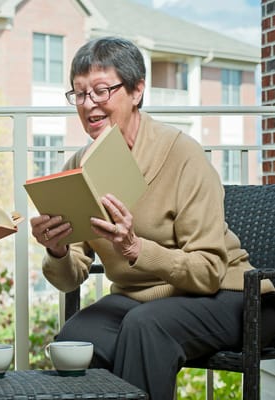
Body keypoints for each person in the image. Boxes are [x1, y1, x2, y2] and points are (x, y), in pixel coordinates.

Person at [29, 36, 275, 399]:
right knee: (75, 340)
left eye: (101, 91)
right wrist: (58, 251)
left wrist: (135, 248)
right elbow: (69, 280)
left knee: (146, 328)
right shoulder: (80, 167)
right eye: (79, 94)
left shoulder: (182, 154)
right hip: (141, 301)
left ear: (136, 91)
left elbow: (208, 270)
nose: (88, 105)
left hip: (233, 294)